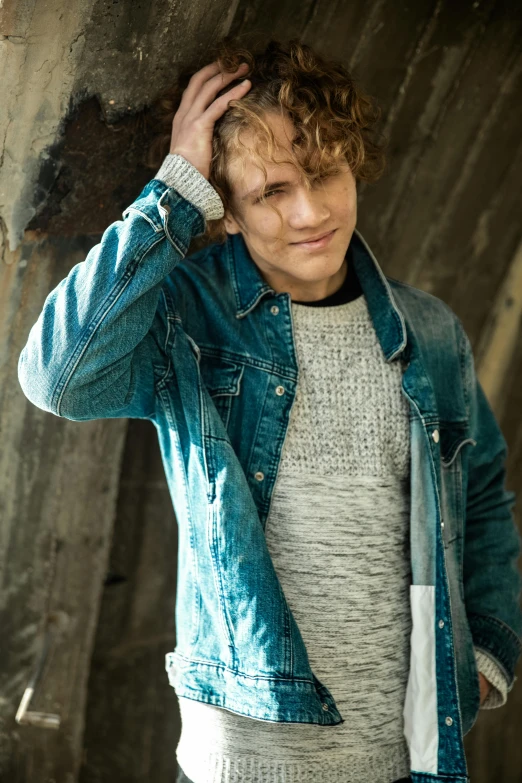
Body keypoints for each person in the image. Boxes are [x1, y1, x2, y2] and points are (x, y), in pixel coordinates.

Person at [18, 38, 522, 783]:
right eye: (271, 192)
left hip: (410, 756)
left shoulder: (430, 332)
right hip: (244, 761)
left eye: (323, 174)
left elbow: (481, 493)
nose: (311, 212)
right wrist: (174, 190)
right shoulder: (187, 321)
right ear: (225, 211)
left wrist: (487, 654)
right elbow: (57, 378)